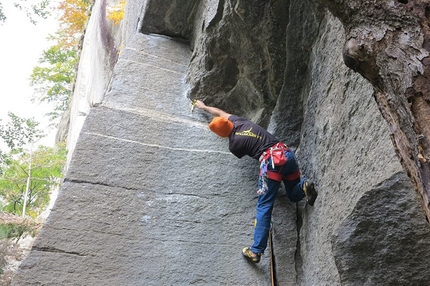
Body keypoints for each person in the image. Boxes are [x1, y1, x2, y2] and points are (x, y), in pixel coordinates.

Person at [194, 100, 317, 263]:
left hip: (272, 164)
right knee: (294, 195)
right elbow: (220, 113)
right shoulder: (239, 121)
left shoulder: (234, 145)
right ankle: (305, 186)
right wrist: (204, 107)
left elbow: (249, 149)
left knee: (264, 206)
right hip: (286, 154)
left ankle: (256, 251)